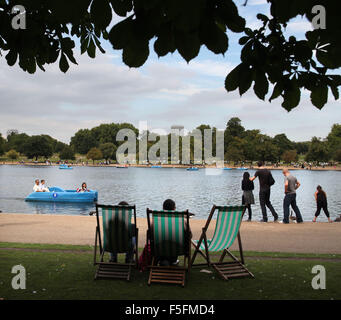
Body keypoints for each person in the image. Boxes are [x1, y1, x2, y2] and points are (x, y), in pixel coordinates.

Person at [157, 199, 180, 266]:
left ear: (163, 208)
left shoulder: (157, 220)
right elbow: (190, 235)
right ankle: (172, 261)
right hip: (176, 251)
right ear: (174, 209)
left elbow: (150, 234)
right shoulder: (180, 220)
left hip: (160, 251)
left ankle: (163, 260)